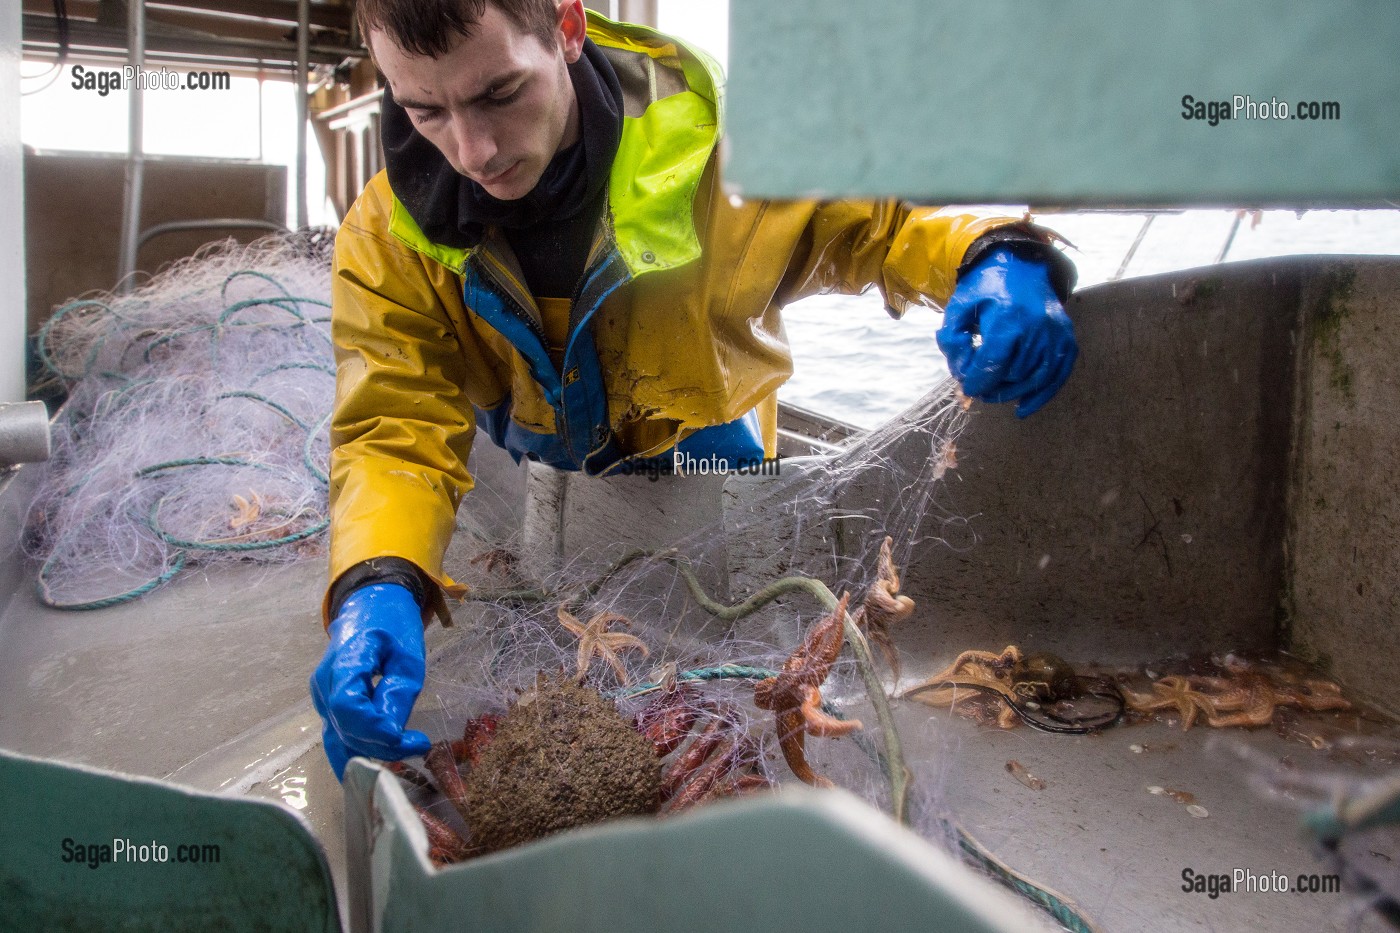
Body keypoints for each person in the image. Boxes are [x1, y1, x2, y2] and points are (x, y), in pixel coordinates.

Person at [310, 0, 1078, 779]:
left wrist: (990, 248)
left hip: (724, 484)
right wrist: (380, 575)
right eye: (424, 110)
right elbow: (391, 422)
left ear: (569, 27)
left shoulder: (734, 149)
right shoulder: (385, 237)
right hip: (550, 500)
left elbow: (885, 208)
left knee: (747, 732)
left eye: (500, 94)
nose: (472, 150)